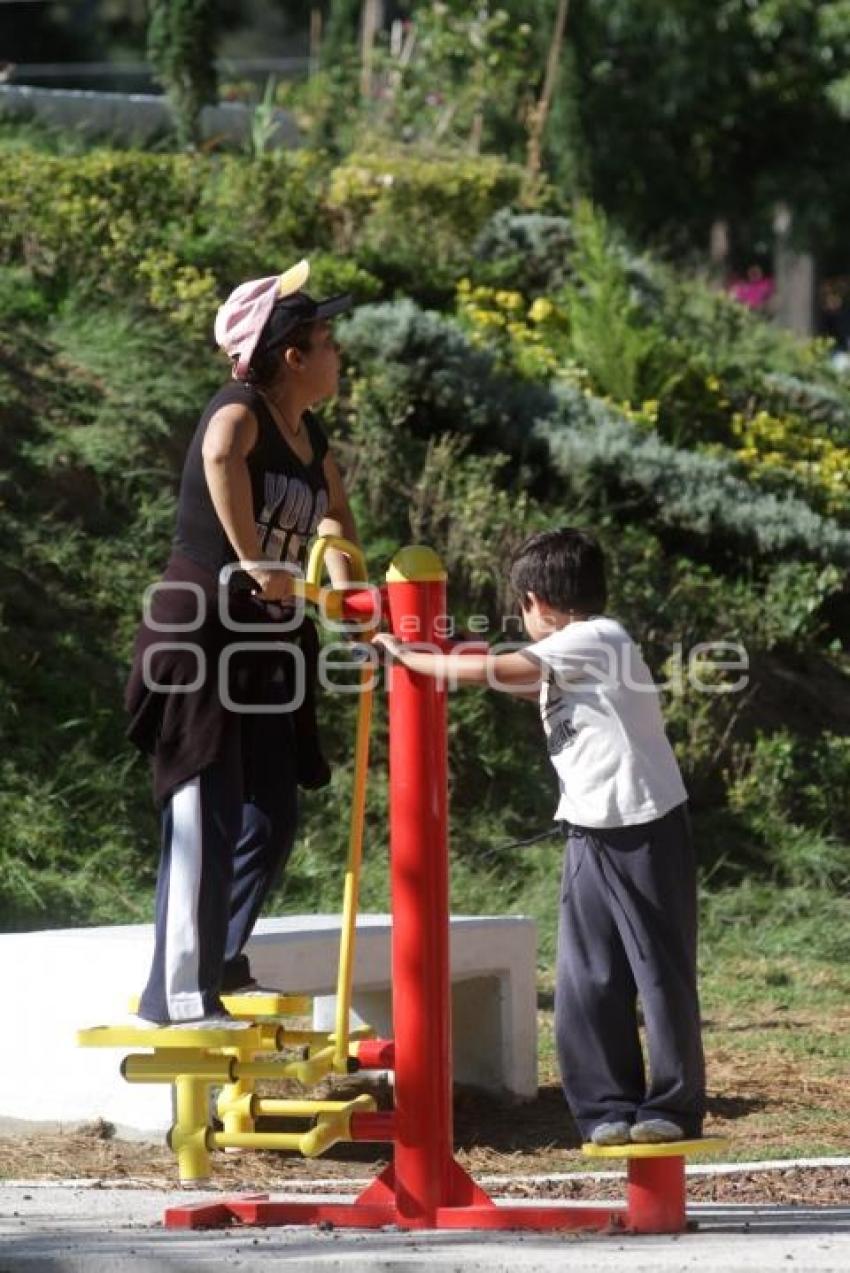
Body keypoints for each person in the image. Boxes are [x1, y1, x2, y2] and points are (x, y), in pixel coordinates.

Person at [373, 528, 706, 1146]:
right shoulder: (574, 657)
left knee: (658, 974)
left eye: (520, 607)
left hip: (645, 826)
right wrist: (443, 645)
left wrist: (414, 657)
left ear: (536, 601)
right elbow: (513, 676)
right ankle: (607, 1107)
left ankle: (672, 1107)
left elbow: (500, 668)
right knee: (588, 978)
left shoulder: (599, 637)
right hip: (589, 831)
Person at [125, 260, 360, 1026]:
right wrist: (256, 557)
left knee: (271, 810)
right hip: (204, 631)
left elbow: (333, 510)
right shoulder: (242, 407)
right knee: (207, 806)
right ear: (290, 354)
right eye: (326, 339)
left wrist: (354, 588)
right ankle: (179, 994)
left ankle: (221, 960)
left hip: (265, 642)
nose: (336, 351)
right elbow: (220, 452)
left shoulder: (306, 428)